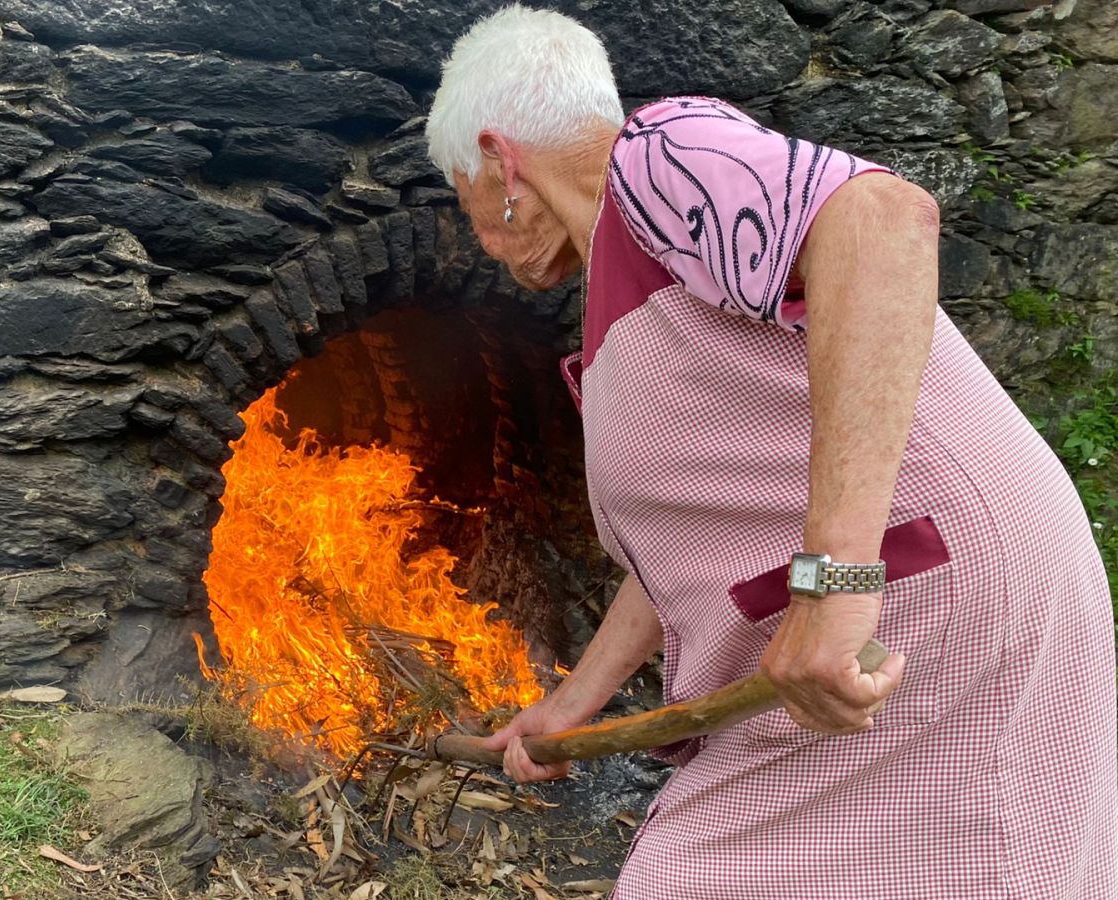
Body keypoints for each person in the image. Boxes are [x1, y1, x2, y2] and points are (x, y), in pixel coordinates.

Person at [426, 6, 1117, 898]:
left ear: (501, 162)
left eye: (468, 201)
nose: (482, 241)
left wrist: (836, 587)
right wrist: (572, 702)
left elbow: (883, 218)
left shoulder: (658, 157)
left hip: (922, 608)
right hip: (923, 589)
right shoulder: (639, 279)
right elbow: (699, 544)